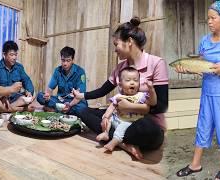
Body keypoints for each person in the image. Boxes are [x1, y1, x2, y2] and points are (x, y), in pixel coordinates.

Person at [72, 17, 168, 160]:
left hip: (145, 123)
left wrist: (130, 106)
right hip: (121, 118)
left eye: (116, 44)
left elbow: (161, 106)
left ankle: (116, 138)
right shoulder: (120, 68)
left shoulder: (156, 63)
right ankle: (123, 143)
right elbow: (102, 90)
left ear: (129, 42)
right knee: (81, 110)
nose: (115, 49)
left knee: (149, 130)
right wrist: (81, 96)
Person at [175, 1, 220, 179]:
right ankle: (195, 164)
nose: (209, 21)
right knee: (203, 127)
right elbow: (203, 67)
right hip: (207, 92)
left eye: (213, 18)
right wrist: (188, 69)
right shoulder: (204, 41)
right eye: (208, 18)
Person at [96, 67, 157, 152]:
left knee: (122, 127)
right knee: (106, 119)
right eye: (128, 80)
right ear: (120, 85)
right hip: (117, 119)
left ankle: (114, 142)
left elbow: (153, 103)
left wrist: (152, 90)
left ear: (139, 83)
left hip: (130, 122)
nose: (132, 83)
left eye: (135, 80)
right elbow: (111, 107)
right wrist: (106, 117)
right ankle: (106, 133)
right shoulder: (118, 96)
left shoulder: (140, 96)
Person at [37, 46, 87, 116]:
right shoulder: (57, 70)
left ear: (73, 60)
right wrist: (47, 95)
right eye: (63, 60)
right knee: (39, 96)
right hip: (60, 101)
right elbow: (50, 88)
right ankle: (61, 110)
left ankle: (55, 110)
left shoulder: (80, 72)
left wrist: (69, 105)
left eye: (68, 60)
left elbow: (80, 96)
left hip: (74, 102)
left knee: (82, 107)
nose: (65, 63)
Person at [0, 41, 35, 113]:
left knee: (28, 98)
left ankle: (6, 109)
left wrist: (29, 92)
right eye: (11, 55)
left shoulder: (19, 67)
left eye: (16, 55)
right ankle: (20, 109)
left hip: (15, 99)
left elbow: (27, 80)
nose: (14, 57)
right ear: (4, 54)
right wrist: (3, 96)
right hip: (2, 99)